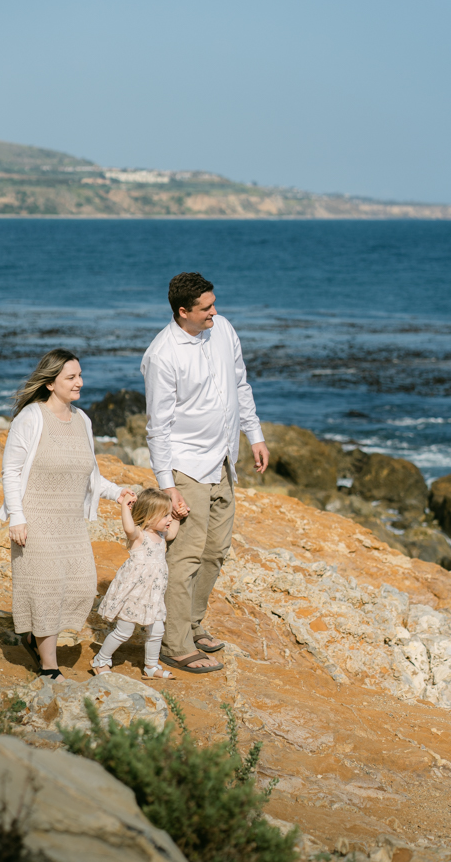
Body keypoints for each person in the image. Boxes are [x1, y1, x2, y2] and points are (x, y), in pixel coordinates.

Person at [141, 272, 269, 674]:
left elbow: (240, 384)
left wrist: (255, 435)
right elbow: (157, 427)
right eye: (206, 308)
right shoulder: (162, 355)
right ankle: (172, 643)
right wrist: (168, 487)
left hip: (223, 460)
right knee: (185, 557)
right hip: (187, 467)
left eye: (214, 304)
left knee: (215, 552)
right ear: (184, 312)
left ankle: (192, 624)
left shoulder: (224, 330)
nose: (216, 312)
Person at [0, 349, 134, 680]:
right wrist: (16, 517)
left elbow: (90, 475)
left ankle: (34, 636)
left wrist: (118, 493)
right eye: (71, 377)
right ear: (50, 384)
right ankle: (48, 666)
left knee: (80, 586)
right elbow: (11, 471)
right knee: (46, 588)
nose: (79, 383)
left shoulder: (83, 420)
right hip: (35, 519)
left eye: (80, 376)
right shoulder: (30, 418)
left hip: (71, 523)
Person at [92, 487, 179, 680]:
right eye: (165, 515)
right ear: (148, 517)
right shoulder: (139, 535)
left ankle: (151, 666)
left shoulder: (163, 536)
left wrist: (177, 513)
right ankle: (101, 660)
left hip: (153, 596)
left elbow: (173, 531)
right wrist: (125, 506)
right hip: (134, 595)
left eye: (169, 514)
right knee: (124, 631)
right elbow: (128, 528)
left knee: (157, 630)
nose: (169, 519)